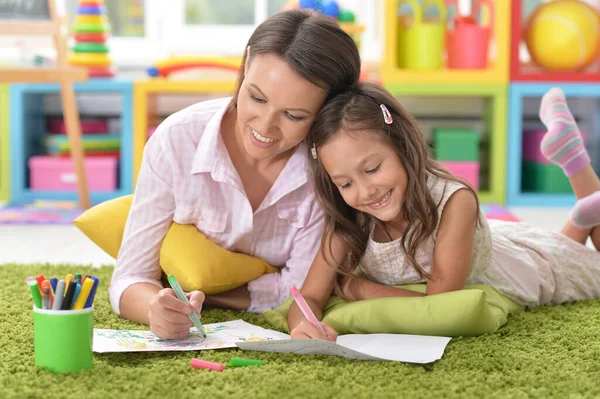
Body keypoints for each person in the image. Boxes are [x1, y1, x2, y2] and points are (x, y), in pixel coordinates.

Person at [110, 9, 361, 339]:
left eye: (294, 115)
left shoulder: (327, 169)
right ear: (245, 65)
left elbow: (297, 290)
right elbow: (129, 277)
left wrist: (213, 297)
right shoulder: (177, 140)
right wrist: (154, 309)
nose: (265, 125)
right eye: (256, 96)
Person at [288, 83, 600, 341]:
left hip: (522, 270)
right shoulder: (348, 216)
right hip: (495, 239)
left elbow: (440, 302)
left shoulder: (454, 201)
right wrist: (303, 326)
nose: (365, 191)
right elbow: (310, 296)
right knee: (569, 242)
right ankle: (581, 217)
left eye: (372, 168)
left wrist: (361, 289)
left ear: (402, 146)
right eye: (345, 183)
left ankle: (576, 164)